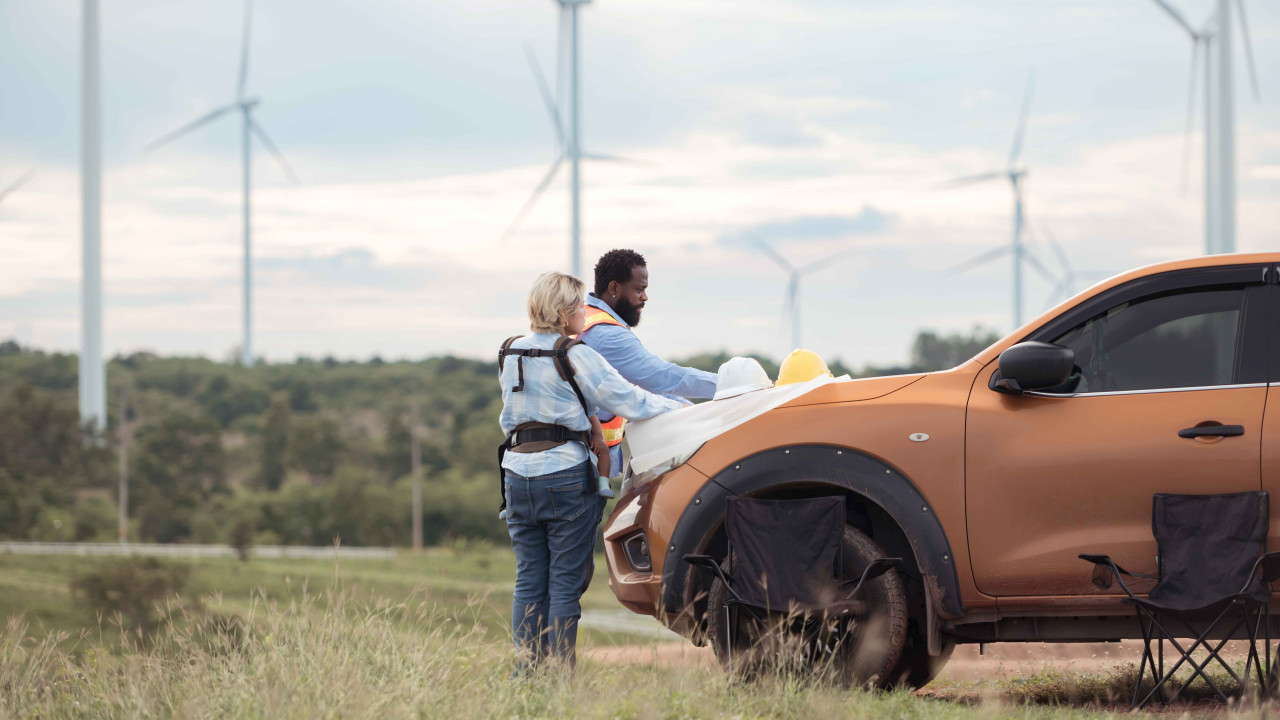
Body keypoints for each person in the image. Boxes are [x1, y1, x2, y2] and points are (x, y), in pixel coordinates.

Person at [498, 271, 683, 671]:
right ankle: (561, 676)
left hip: (515, 476)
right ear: (565, 313)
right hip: (565, 475)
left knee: (529, 579)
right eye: (581, 305)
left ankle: (525, 673)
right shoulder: (576, 355)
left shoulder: (509, 352)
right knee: (565, 581)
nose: (586, 312)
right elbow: (632, 401)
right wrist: (684, 409)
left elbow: (510, 418)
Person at [578, 249, 718, 472]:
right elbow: (664, 378)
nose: (645, 298)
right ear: (614, 288)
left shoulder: (586, 318)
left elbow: (650, 389)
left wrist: (696, 413)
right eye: (639, 289)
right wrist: (731, 386)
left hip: (581, 458)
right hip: (584, 464)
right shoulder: (606, 334)